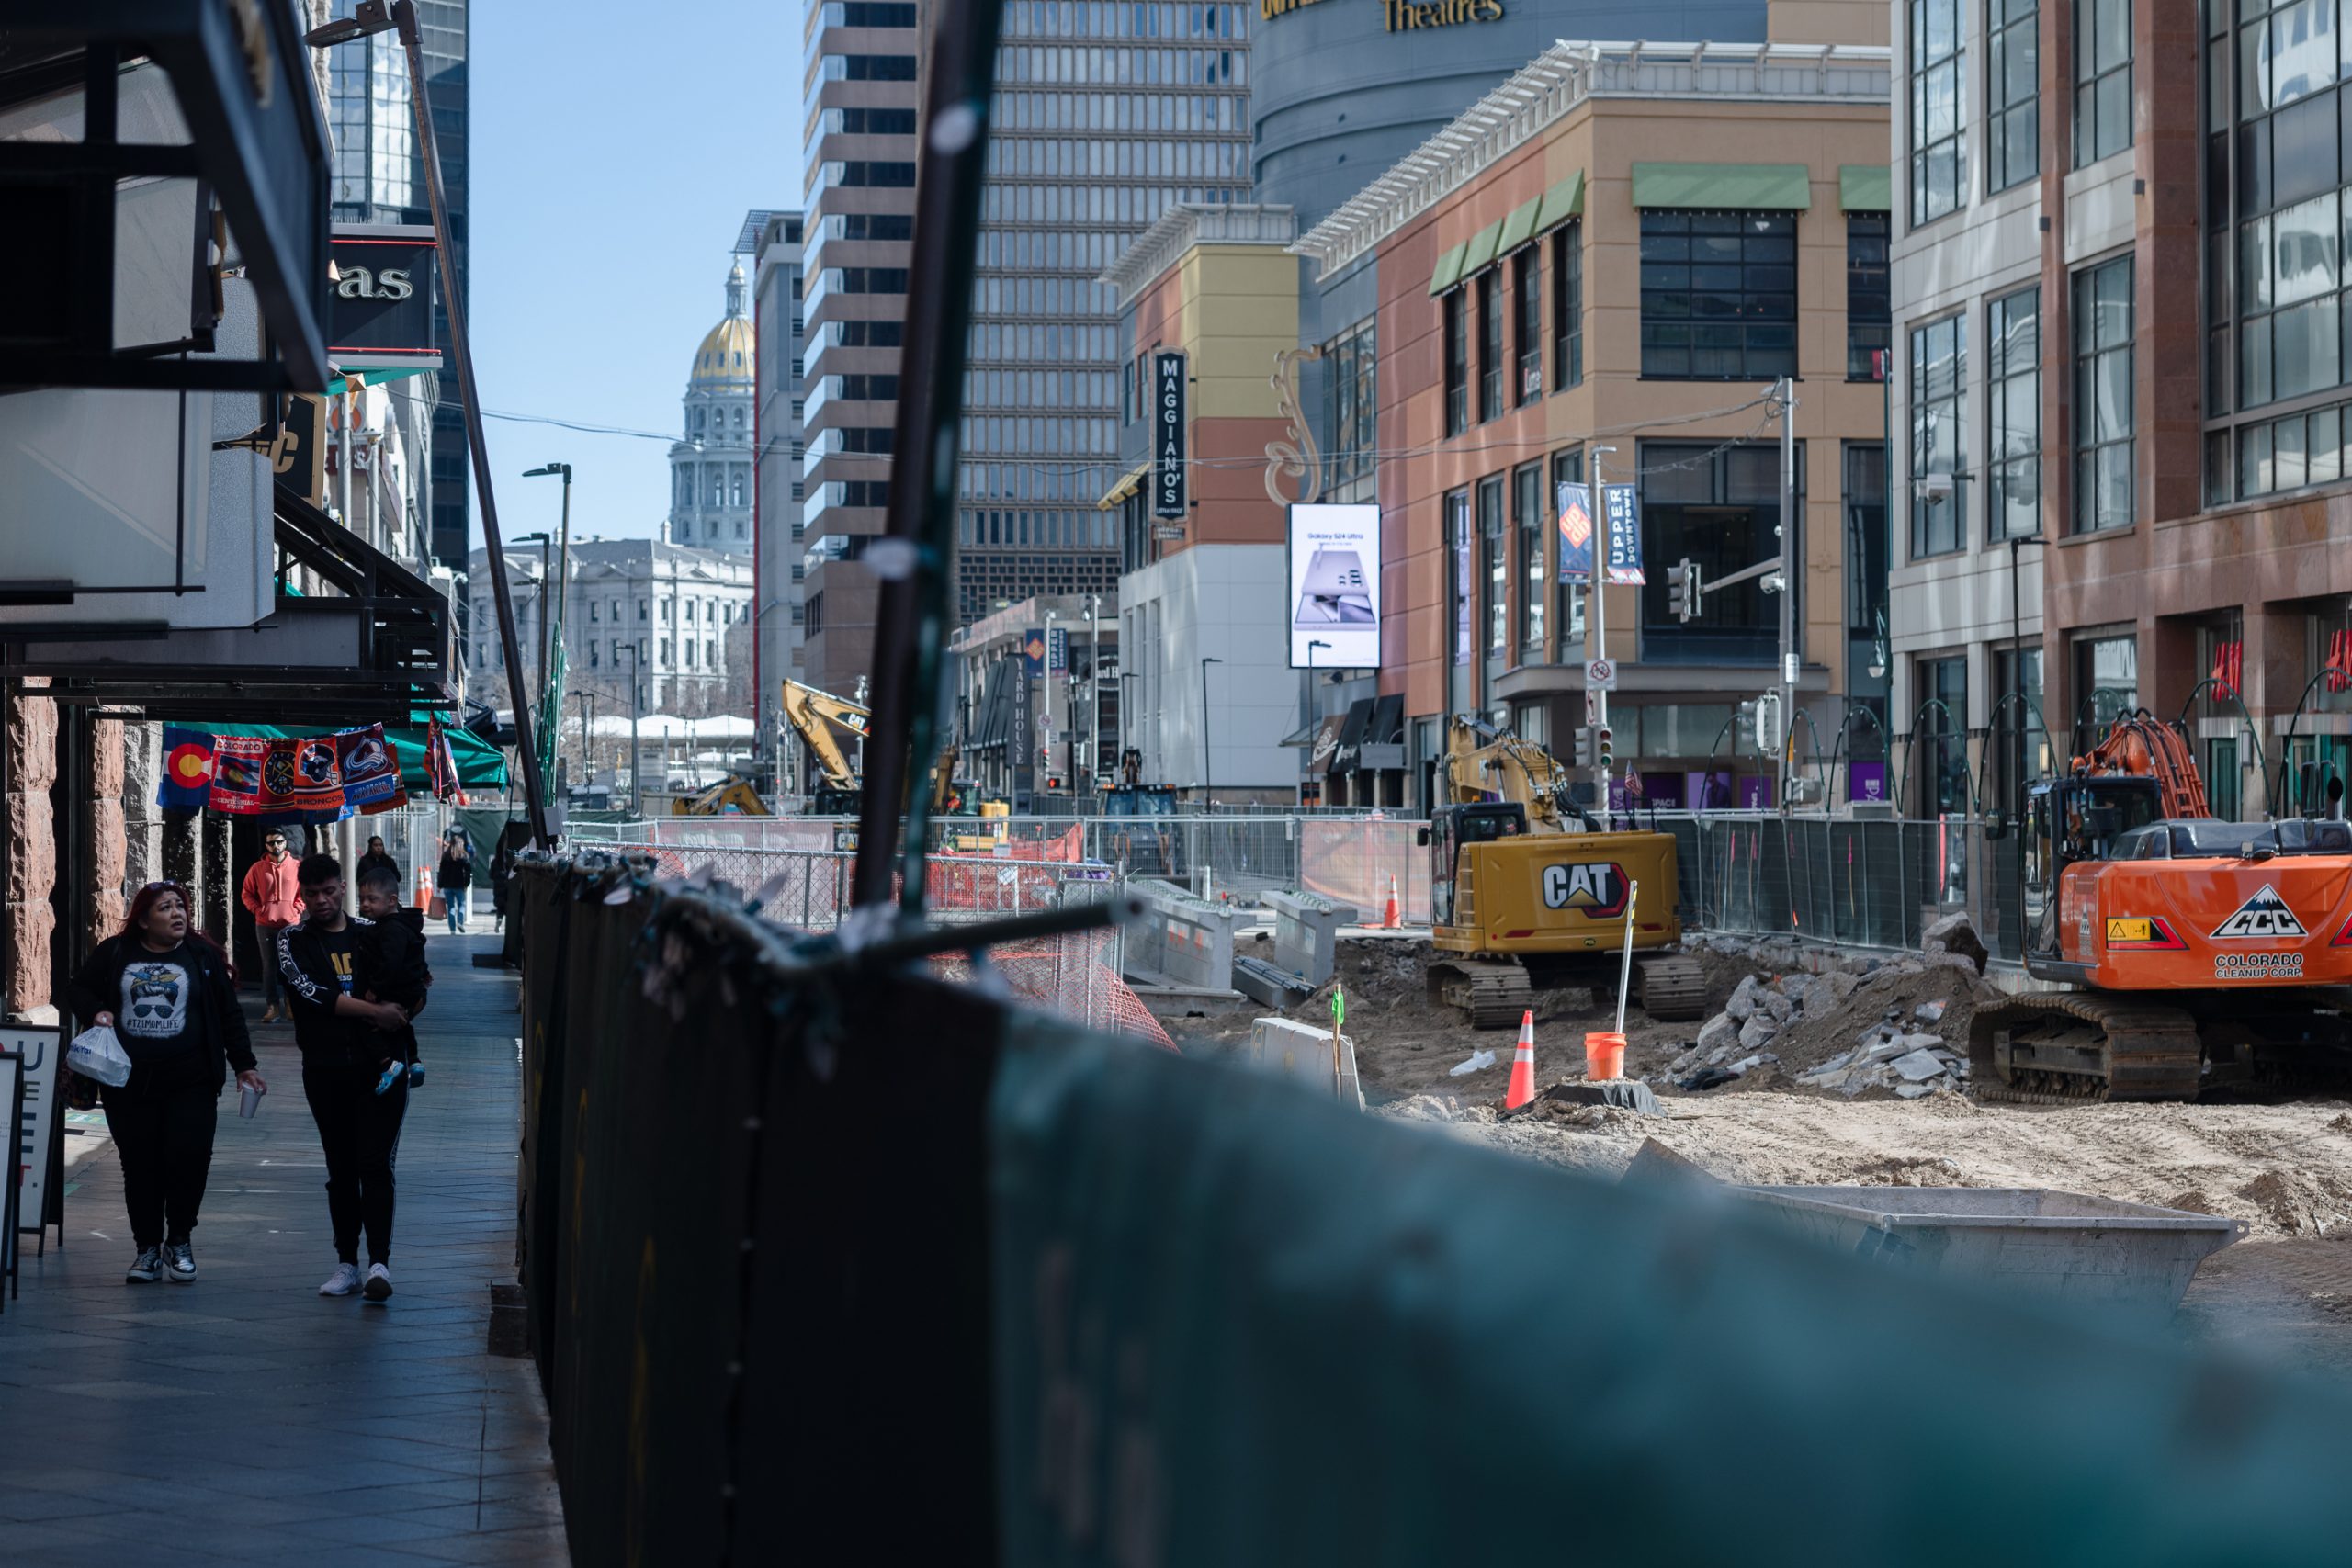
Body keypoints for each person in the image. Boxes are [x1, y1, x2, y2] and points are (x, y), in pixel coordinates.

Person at [68, 882, 266, 1285]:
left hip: (191, 1081)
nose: (178, 914)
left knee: (189, 1159)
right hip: (128, 1084)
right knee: (139, 1166)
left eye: (181, 906)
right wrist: (99, 1009)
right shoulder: (116, 953)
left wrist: (244, 1065)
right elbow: (78, 988)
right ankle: (146, 1249)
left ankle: (179, 1240)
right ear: (143, 919)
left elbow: (229, 1016)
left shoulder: (201, 956)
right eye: (165, 908)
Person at [277, 853, 412, 1303]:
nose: (321, 901)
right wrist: (377, 1011)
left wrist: (405, 1009)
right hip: (327, 1069)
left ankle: (379, 1263)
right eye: (311, 894)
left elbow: (414, 979)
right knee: (341, 1169)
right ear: (302, 895)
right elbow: (316, 995)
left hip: (382, 1072)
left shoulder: (375, 932)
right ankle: (346, 1263)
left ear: (342, 889)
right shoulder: (292, 940)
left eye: (329, 891)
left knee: (375, 1165)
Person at [355, 863, 430, 1080]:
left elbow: (391, 962)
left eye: (372, 899)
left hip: (395, 988)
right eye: (362, 899)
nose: (365, 904)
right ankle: (414, 1061)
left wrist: (375, 990)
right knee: (402, 1024)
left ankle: (387, 1064)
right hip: (409, 988)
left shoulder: (391, 929)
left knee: (367, 1023)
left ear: (391, 900)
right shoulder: (400, 925)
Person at [239, 828, 302, 1023]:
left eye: (279, 841)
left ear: (285, 843)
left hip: (290, 924)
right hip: (265, 924)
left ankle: (291, 1005)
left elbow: (304, 891)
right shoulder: (257, 868)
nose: (276, 845)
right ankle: (272, 1007)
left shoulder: (297, 866)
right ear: (266, 846)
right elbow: (246, 893)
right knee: (269, 967)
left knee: (290, 966)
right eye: (271, 843)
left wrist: (297, 908)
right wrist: (258, 910)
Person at [435, 832, 473, 934]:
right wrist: (466, 884)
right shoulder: (464, 856)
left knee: (451, 907)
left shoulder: (445, 856)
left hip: (447, 886)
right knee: (461, 904)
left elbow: (441, 871)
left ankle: (452, 930)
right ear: (461, 844)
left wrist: (439, 885)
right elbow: (468, 872)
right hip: (459, 885)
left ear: (451, 844)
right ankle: (460, 922)